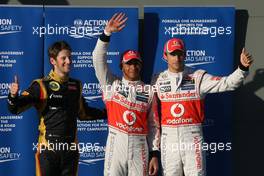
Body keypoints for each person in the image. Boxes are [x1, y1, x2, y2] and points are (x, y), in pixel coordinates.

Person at [151, 38, 253, 176]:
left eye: (180, 53)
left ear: (185, 55)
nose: (177, 58)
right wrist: (154, 150)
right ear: (165, 56)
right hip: (168, 139)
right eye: (173, 54)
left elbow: (227, 83)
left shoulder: (198, 77)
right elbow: (153, 118)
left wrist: (242, 68)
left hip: (192, 137)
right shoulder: (157, 80)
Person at [7, 41, 106, 176]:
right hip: (48, 151)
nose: (69, 61)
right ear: (53, 61)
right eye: (64, 58)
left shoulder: (76, 85)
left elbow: (84, 114)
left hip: (70, 151)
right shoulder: (40, 85)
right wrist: (13, 96)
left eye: (70, 57)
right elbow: (15, 109)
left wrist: (109, 112)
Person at [92, 13, 160, 176]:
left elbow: (153, 126)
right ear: (121, 66)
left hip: (140, 146)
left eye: (136, 63)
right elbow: (97, 59)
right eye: (129, 63)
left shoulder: (149, 91)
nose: (133, 67)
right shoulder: (111, 84)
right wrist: (106, 34)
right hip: (116, 143)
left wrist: (154, 154)